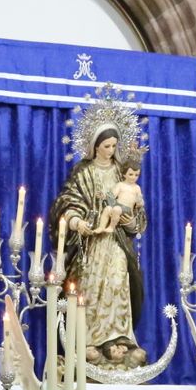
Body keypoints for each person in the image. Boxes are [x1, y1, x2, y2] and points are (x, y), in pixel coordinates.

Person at [51, 125, 147, 366]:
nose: (111, 150)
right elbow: (69, 201)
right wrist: (76, 222)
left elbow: (138, 207)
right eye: (106, 146)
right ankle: (89, 342)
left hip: (117, 241)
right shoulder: (84, 171)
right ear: (95, 146)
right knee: (92, 287)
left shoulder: (122, 172)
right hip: (93, 241)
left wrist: (132, 221)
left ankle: (119, 338)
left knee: (117, 283)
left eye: (114, 146)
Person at [93, 159, 142, 235]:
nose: (133, 177)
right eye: (131, 174)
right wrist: (103, 196)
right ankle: (101, 227)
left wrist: (140, 203)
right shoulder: (120, 185)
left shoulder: (137, 187)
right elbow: (111, 195)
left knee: (116, 209)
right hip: (117, 205)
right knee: (108, 209)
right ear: (124, 174)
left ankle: (111, 227)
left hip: (127, 210)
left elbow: (139, 199)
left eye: (136, 175)